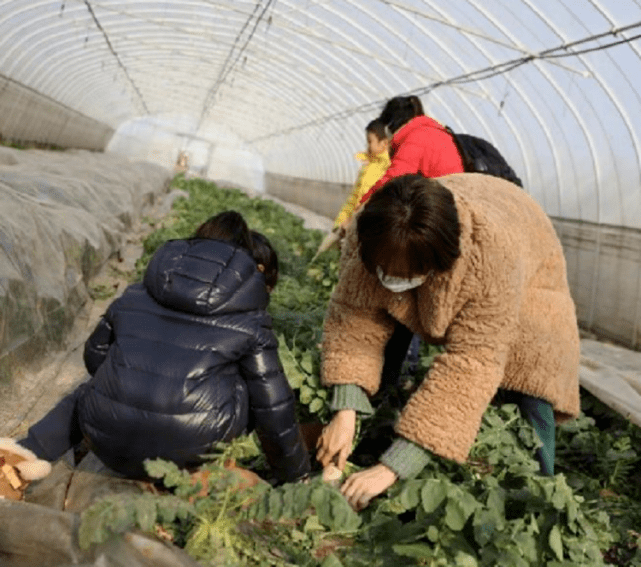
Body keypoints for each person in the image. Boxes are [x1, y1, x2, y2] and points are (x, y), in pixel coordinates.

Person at [316, 173, 580, 510]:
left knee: (532, 379)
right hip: (439, 241)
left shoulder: (490, 258)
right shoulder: (370, 229)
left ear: (437, 266)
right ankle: (372, 433)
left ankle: (541, 499)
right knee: (385, 327)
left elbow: (470, 363)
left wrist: (392, 469)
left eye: (405, 275)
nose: (392, 280)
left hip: (530, 263)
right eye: (384, 270)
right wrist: (345, 411)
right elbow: (354, 320)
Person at [6, 211, 311, 485]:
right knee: (255, 387)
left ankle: (24, 454)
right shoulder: (250, 317)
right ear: (238, 259)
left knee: (94, 388)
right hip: (186, 456)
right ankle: (211, 475)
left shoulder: (138, 293)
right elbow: (274, 410)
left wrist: (132, 379)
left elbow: (94, 355)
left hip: (106, 442)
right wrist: (295, 474)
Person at [358, 95, 465, 205]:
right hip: (452, 199)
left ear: (392, 123)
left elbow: (393, 179)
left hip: (444, 205)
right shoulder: (434, 131)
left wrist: (363, 203)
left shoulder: (417, 137)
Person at [334, 119, 391, 231]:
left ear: (384, 143)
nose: (367, 146)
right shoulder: (368, 166)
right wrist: (340, 222)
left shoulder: (390, 169)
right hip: (355, 224)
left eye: (370, 141)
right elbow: (354, 198)